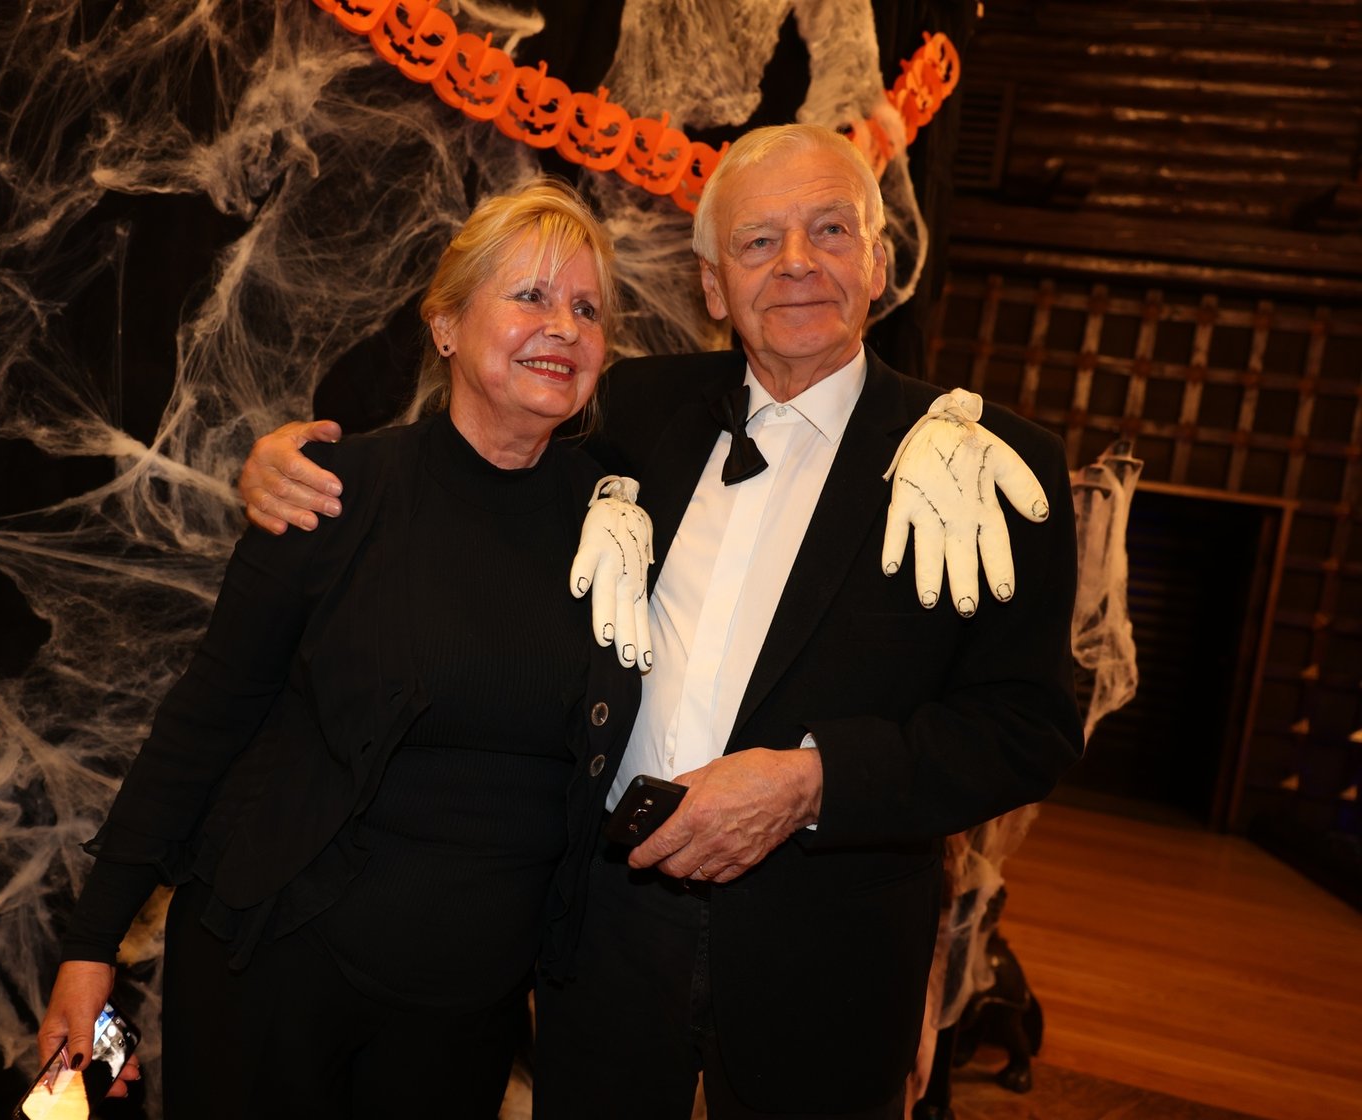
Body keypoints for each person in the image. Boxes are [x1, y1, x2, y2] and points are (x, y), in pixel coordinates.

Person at [238, 125, 1084, 1119]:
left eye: (830, 230)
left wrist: (814, 780)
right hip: (606, 934)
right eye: (758, 240)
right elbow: (477, 446)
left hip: (830, 956)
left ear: (881, 262)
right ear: (713, 286)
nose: (797, 262)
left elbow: (1028, 730)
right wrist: (293, 468)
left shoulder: (981, 468)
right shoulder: (626, 409)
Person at [36, 178, 642, 1118]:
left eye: (587, 308)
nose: (562, 326)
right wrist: (91, 944)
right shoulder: (330, 492)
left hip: (463, 1013)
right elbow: (207, 719)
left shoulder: (620, 523)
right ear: (446, 326)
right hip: (274, 964)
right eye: (529, 295)